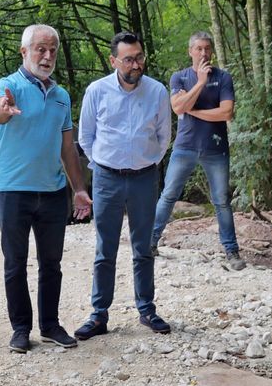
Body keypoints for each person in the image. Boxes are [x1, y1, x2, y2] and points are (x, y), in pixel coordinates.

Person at [0, 24, 91, 353]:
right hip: (13, 190)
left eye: (52, 51)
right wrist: (2, 111)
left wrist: (78, 188)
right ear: (24, 52)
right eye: (40, 50)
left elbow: (67, 147)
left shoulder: (61, 96)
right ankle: (21, 329)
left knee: (52, 264)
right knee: (15, 263)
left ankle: (50, 325)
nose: (47, 56)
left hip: (51, 191)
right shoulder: (8, 87)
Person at [75, 31, 172, 341]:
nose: (136, 64)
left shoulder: (157, 91)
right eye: (129, 59)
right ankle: (99, 314)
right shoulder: (97, 91)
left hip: (144, 178)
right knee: (106, 249)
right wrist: (104, 163)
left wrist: (145, 162)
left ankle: (147, 309)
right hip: (106, 178)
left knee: (143, 248)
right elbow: (85, 137)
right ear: (113, 60)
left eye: (139, 57)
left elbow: (163, 137)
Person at [151, 31, 244, 267]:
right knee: (169, 195)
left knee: (221, 200)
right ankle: (150, 243)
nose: (204, 53)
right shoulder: (179, 78)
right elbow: (177, 107)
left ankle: (232, 252)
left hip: (216, 148)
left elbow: (226, 113)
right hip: (185, 146)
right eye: (199, 48)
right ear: (190, 51)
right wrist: (201, 83)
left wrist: (193, 110)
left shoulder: (223, 78)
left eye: (207, 48)